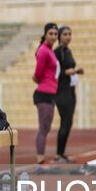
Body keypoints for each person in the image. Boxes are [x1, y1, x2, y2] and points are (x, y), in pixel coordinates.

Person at [53, 25, 83, 163]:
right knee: (65, 121)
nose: (68, 36)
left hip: (70, 90)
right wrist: (67, 72)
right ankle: (59, 154)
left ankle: (62, 153)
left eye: (70, 34)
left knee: (68, 122)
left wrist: (76, 71)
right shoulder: (58, 52)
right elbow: (54, 71)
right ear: (59, 36)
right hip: (61, 91)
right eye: (65, 34)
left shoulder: (67, 51)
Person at [32, 23, 60, 165]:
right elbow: (38, 73)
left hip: (50, 93)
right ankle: (40, 158)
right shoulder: (43, 50)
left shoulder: (50, 50)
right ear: (45, 34)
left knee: (46, 127)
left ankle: (41, 156)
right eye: (51, 33)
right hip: (43, 93)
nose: (54, 36)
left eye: (56, 34)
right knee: (44, 127)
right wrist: (41, 81)